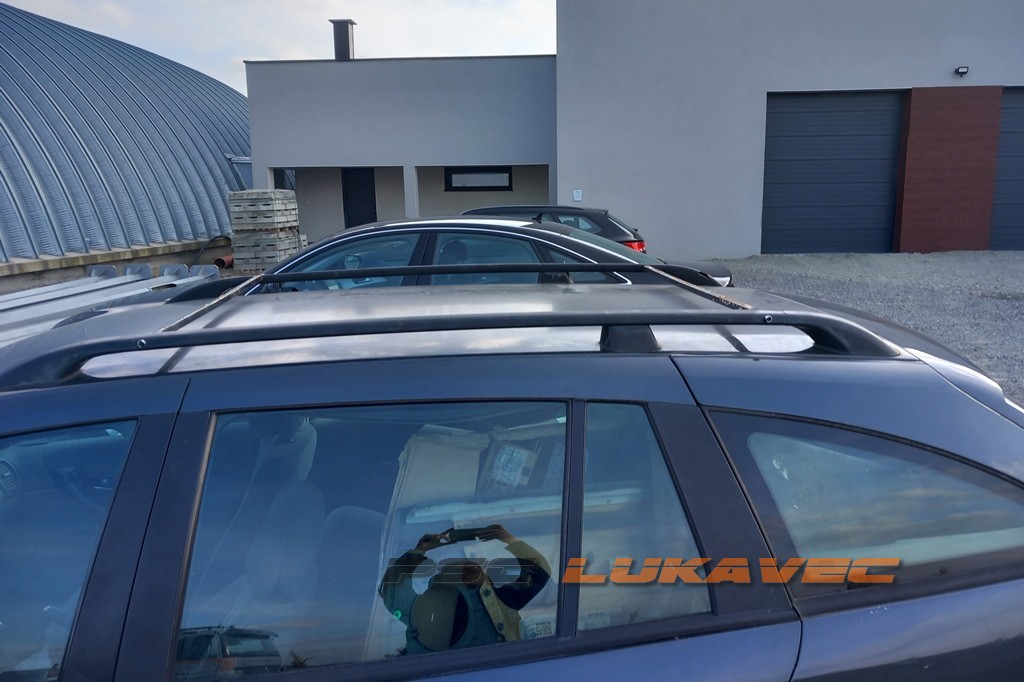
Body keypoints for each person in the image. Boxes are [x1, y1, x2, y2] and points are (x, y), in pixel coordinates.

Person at [378, 524, 550, 653]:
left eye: (474, 570)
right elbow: (390, 589)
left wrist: (420, 550)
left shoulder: (499, 600)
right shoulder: (421, 607)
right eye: (463, 570)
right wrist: (507, 538)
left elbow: (540, 573)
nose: (470, 572)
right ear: (441, 581)